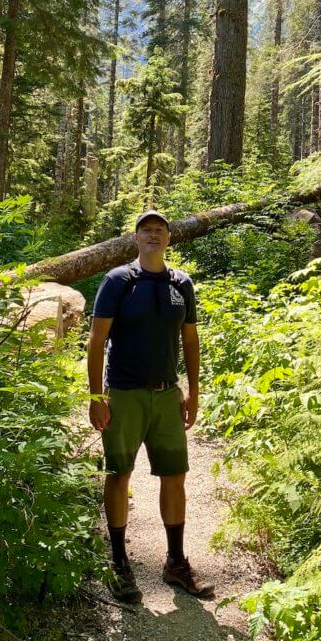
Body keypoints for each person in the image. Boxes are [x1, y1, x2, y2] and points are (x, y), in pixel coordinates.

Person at [87, 209, 215, 604]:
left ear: (169, 239)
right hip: (124, 394)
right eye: (146, 230)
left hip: (166, 395)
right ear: (135, 238)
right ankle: (119, 563)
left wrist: (192, 391)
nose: (153, 235)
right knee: (120, 473)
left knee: (175, 475)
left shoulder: (181, 284)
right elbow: (96, 340)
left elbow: (190, 341)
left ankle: (175, 562)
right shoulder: (119, 281)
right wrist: (96, 396)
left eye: (160, 230)